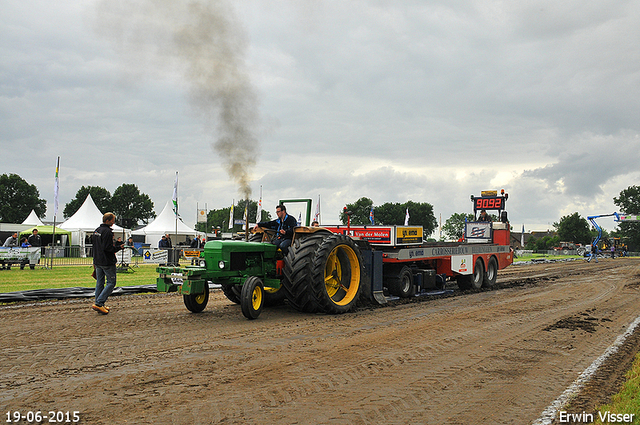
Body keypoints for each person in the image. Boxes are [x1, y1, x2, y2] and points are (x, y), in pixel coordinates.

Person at [91, 212, 124, 315]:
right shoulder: (107, 232)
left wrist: (94, 261)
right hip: (107, 261)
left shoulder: (97, 231)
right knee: (111, 282)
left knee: (100, 282)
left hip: (98, 261)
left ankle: (99, 302)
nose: (114, 222)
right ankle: (99, 303)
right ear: (108, 220)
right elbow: (108, 248)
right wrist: (119, 247)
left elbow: (95, 247)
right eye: (113, 220)